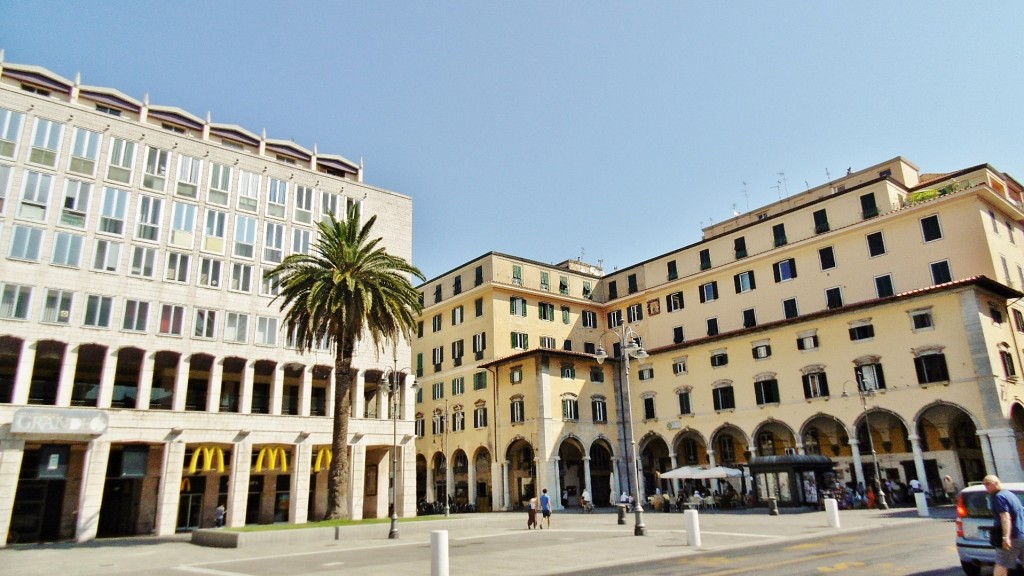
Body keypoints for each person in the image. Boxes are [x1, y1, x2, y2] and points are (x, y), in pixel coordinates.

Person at [984, 475, 1024, 576]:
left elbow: (1005, 517)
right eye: (985, 485)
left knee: (1001, 564)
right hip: (1021, 534)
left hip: (1012, 537)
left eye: (988, 484)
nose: (986, 487)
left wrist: (1006, 537)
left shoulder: (999, 497)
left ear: (996, 483)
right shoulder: (1010, 494)